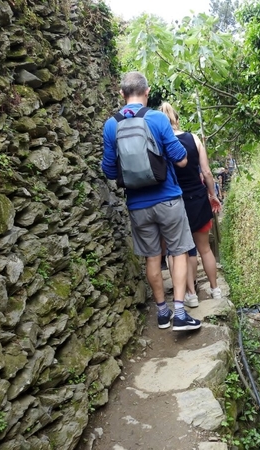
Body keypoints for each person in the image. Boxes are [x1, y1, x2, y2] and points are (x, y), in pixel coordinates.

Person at [101, 72, 201, 332]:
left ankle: (161, 312)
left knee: (152, 258)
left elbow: (110, 171)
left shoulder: (111, 125)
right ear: (147, 92)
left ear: (122, 95)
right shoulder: (157, 118)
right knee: (178, 252)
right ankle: (180, 313)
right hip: (168, 198)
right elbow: (180, 159)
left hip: (137, 205)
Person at [158, 102, 223, 303]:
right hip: (199, 198)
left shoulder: (161, 142)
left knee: (181, 251)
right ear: (177, 120)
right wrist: (212, 195)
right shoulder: (193, 139)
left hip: (174, 201)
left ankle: (191, 295)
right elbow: (207, 172)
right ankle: (215, 290)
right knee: (205, 249)